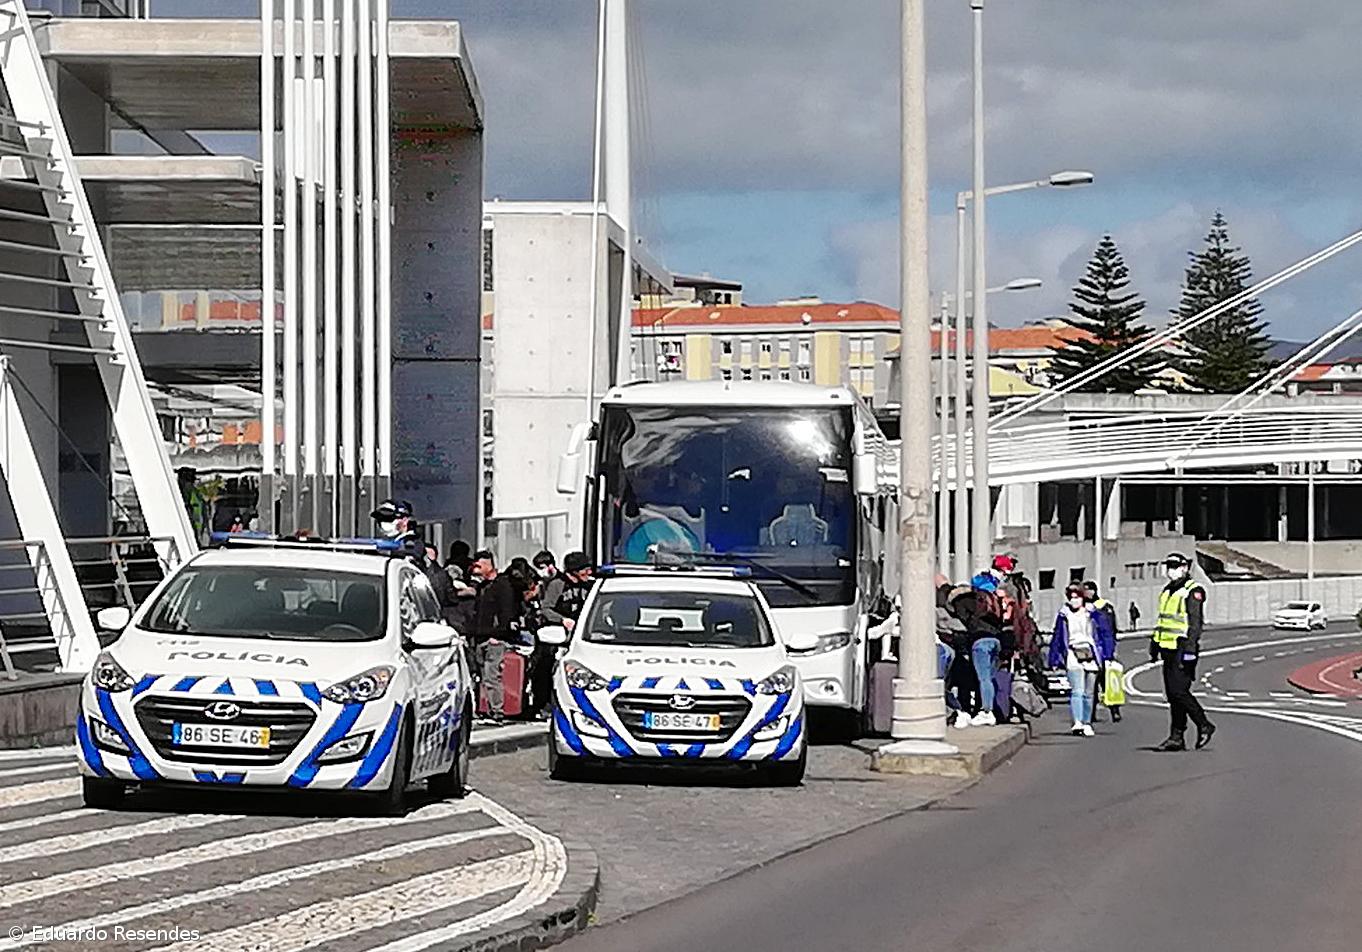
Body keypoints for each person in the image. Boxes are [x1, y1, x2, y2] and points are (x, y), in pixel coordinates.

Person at [1150, 553, 1216, 751]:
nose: (1170, 569)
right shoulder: (1168, 590)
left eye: (1175, 565)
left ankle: (1204, 724)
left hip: (1182, 648)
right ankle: (1176, 736)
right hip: (1167, 648)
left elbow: (1195, 624)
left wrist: (1190, 650)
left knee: (1180, 692)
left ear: (1185, 567)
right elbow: (1163, 620)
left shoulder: (1192, 591)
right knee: (1172, 694)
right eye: (1168, 565)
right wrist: (1154, 644)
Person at [1049, 583, 1114, 736]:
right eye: (1071, 598)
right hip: (1073, 653)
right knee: (1076, 690)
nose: (1074, 601)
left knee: (1089, 692)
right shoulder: (1064, 615)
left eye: (1077, 597)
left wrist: (1108, 655)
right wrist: (1054, 659)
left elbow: (1105, 634)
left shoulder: (1093, 613)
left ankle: (1086, 722)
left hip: (1092, 654)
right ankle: (1077, 722)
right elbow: (1057, 637)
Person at [472, 550, 518, 722]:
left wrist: (498, 634)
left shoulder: (502, 585)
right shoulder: (482, 586)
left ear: (489, 565)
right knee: (481, 676)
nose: (476, 569)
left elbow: (506, 612)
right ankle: (483, 708)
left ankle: (496, 711)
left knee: (492, 675)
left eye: (479, 565)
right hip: (480, 636)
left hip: (494, 638)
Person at [1083, 580, 1123, 723]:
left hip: (1103, 651)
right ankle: (1090, 713)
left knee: (1108, 684)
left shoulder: (1103, 607)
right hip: (1090, 652)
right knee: (1090, 686)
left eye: (1088, 590)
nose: (1086, 593)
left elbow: (1109, 632)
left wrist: (1110, 652)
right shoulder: (1082, 607)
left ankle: (1115, 710)